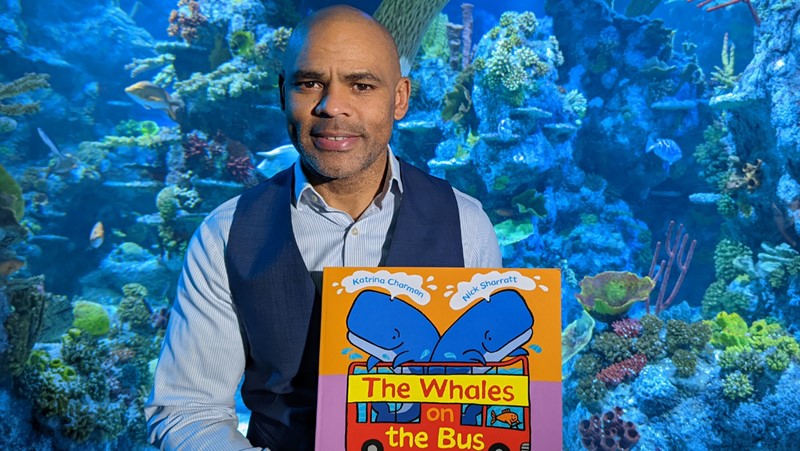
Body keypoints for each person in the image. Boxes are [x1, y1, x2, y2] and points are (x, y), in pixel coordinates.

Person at [144, 5, 501, 450]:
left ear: (400, 99)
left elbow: (483, 393)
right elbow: (188, 409)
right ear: (282, 93)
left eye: (362, 85)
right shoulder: (225, 236)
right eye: (310, 83)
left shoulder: (468, 225)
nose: (333, 106)